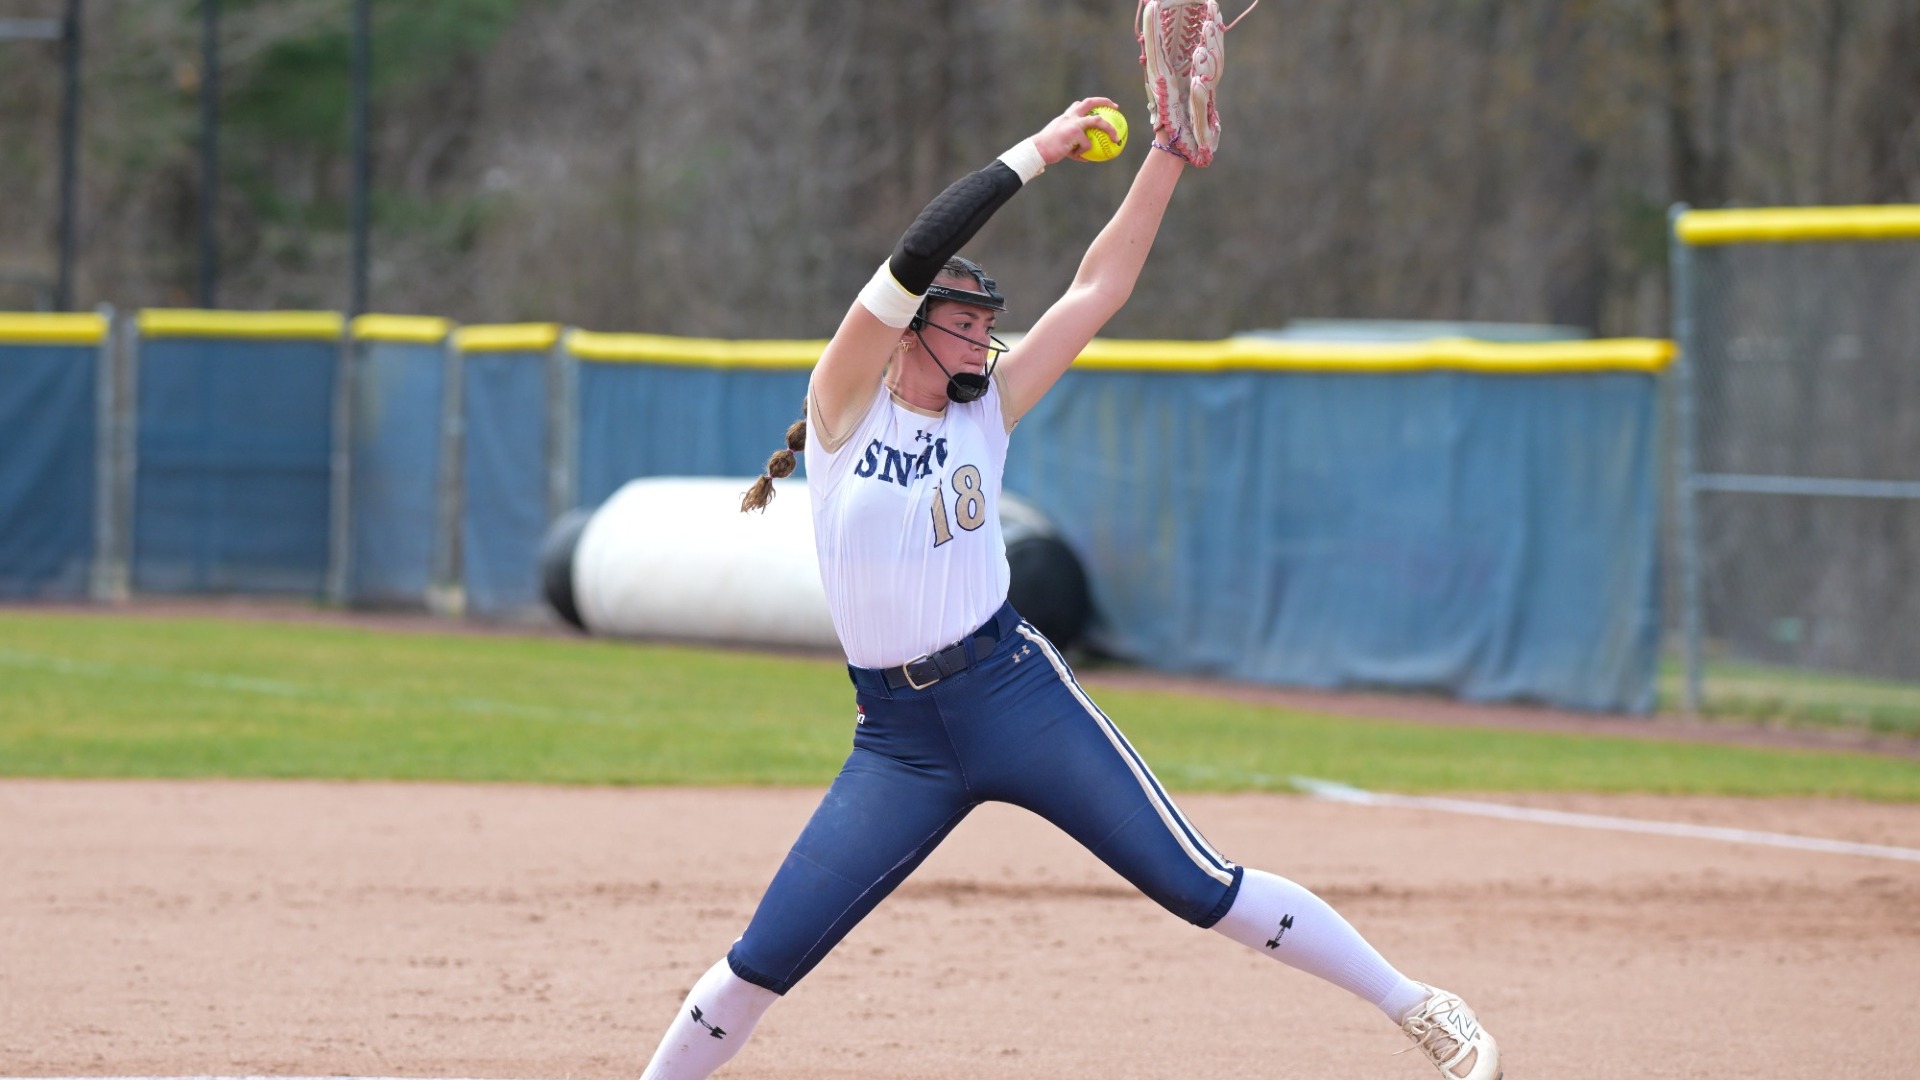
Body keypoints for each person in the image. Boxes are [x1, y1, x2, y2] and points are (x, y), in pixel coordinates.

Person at [635, 92, 1502, 1080]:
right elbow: (917, 251)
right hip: (898, 741)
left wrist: (1168, 154)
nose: (981, 341)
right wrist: (1040, 153)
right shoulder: (841, 413)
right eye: (962, 325)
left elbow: (1097, 289)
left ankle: (1424, 1010)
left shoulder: (985, 414)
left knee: (1197, 884)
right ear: (908, 331)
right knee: (765, 957)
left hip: (1014, 694)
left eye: (986, 327)